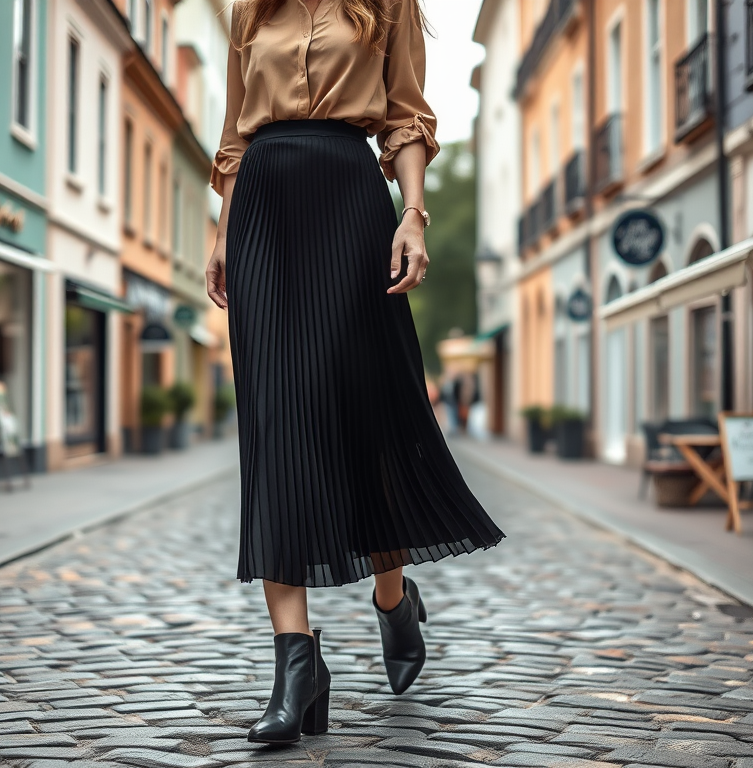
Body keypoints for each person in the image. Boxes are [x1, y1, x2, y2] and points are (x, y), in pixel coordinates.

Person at [205, 0, 505, 745]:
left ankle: (393, 596)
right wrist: (221, 235)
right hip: (263, 214)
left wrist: (414, 214)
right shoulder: (251, 11)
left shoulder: (384, 7)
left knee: (363, 415)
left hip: (348, 201)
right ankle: (296, 664)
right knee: (275, 426)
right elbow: (237, 131)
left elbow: (405, 116)